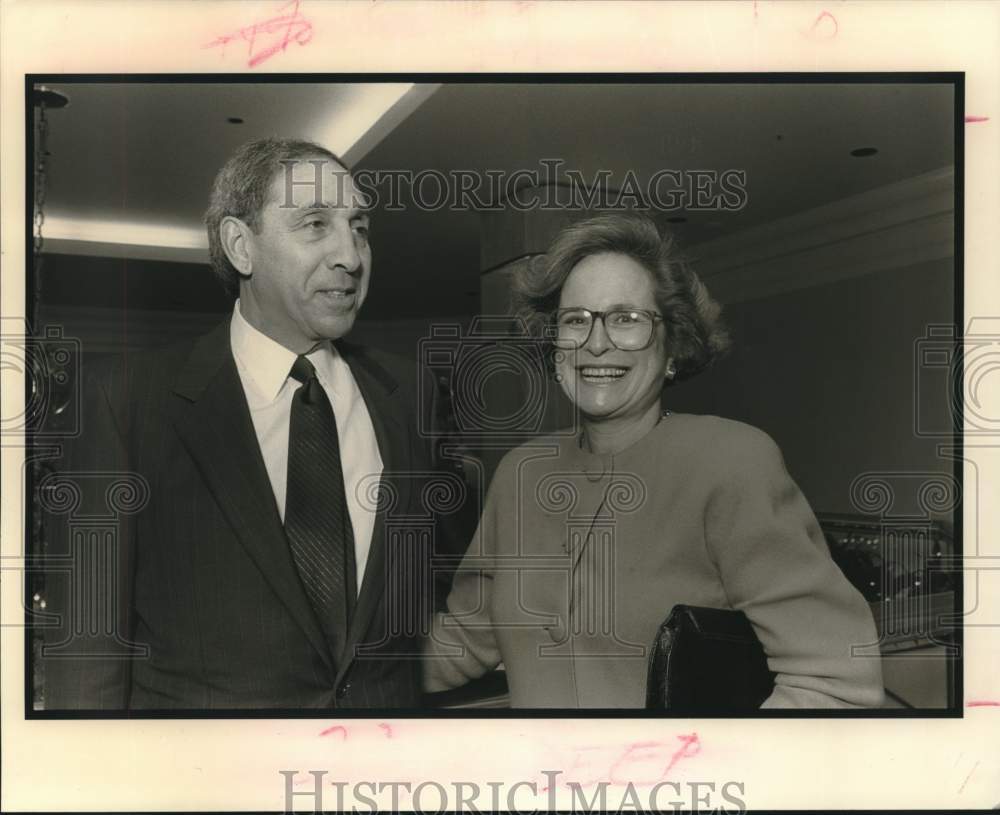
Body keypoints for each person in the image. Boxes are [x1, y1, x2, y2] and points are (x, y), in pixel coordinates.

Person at [423, 213, 885, 709]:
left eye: (626, 318)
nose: (596, 342)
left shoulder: (728, 462)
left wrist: (702, 774)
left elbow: (836, 681)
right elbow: (465, 639)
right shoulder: (521, 473)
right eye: (575, 319)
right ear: (554, 346)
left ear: (674, 346)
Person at [40, 137, 439, 709]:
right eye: (315, 224)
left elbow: (423, 608)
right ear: (240, 247)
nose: (350, 255)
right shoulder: (124, 400)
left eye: (359, 226)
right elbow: (87, 654)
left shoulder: (409, 395)